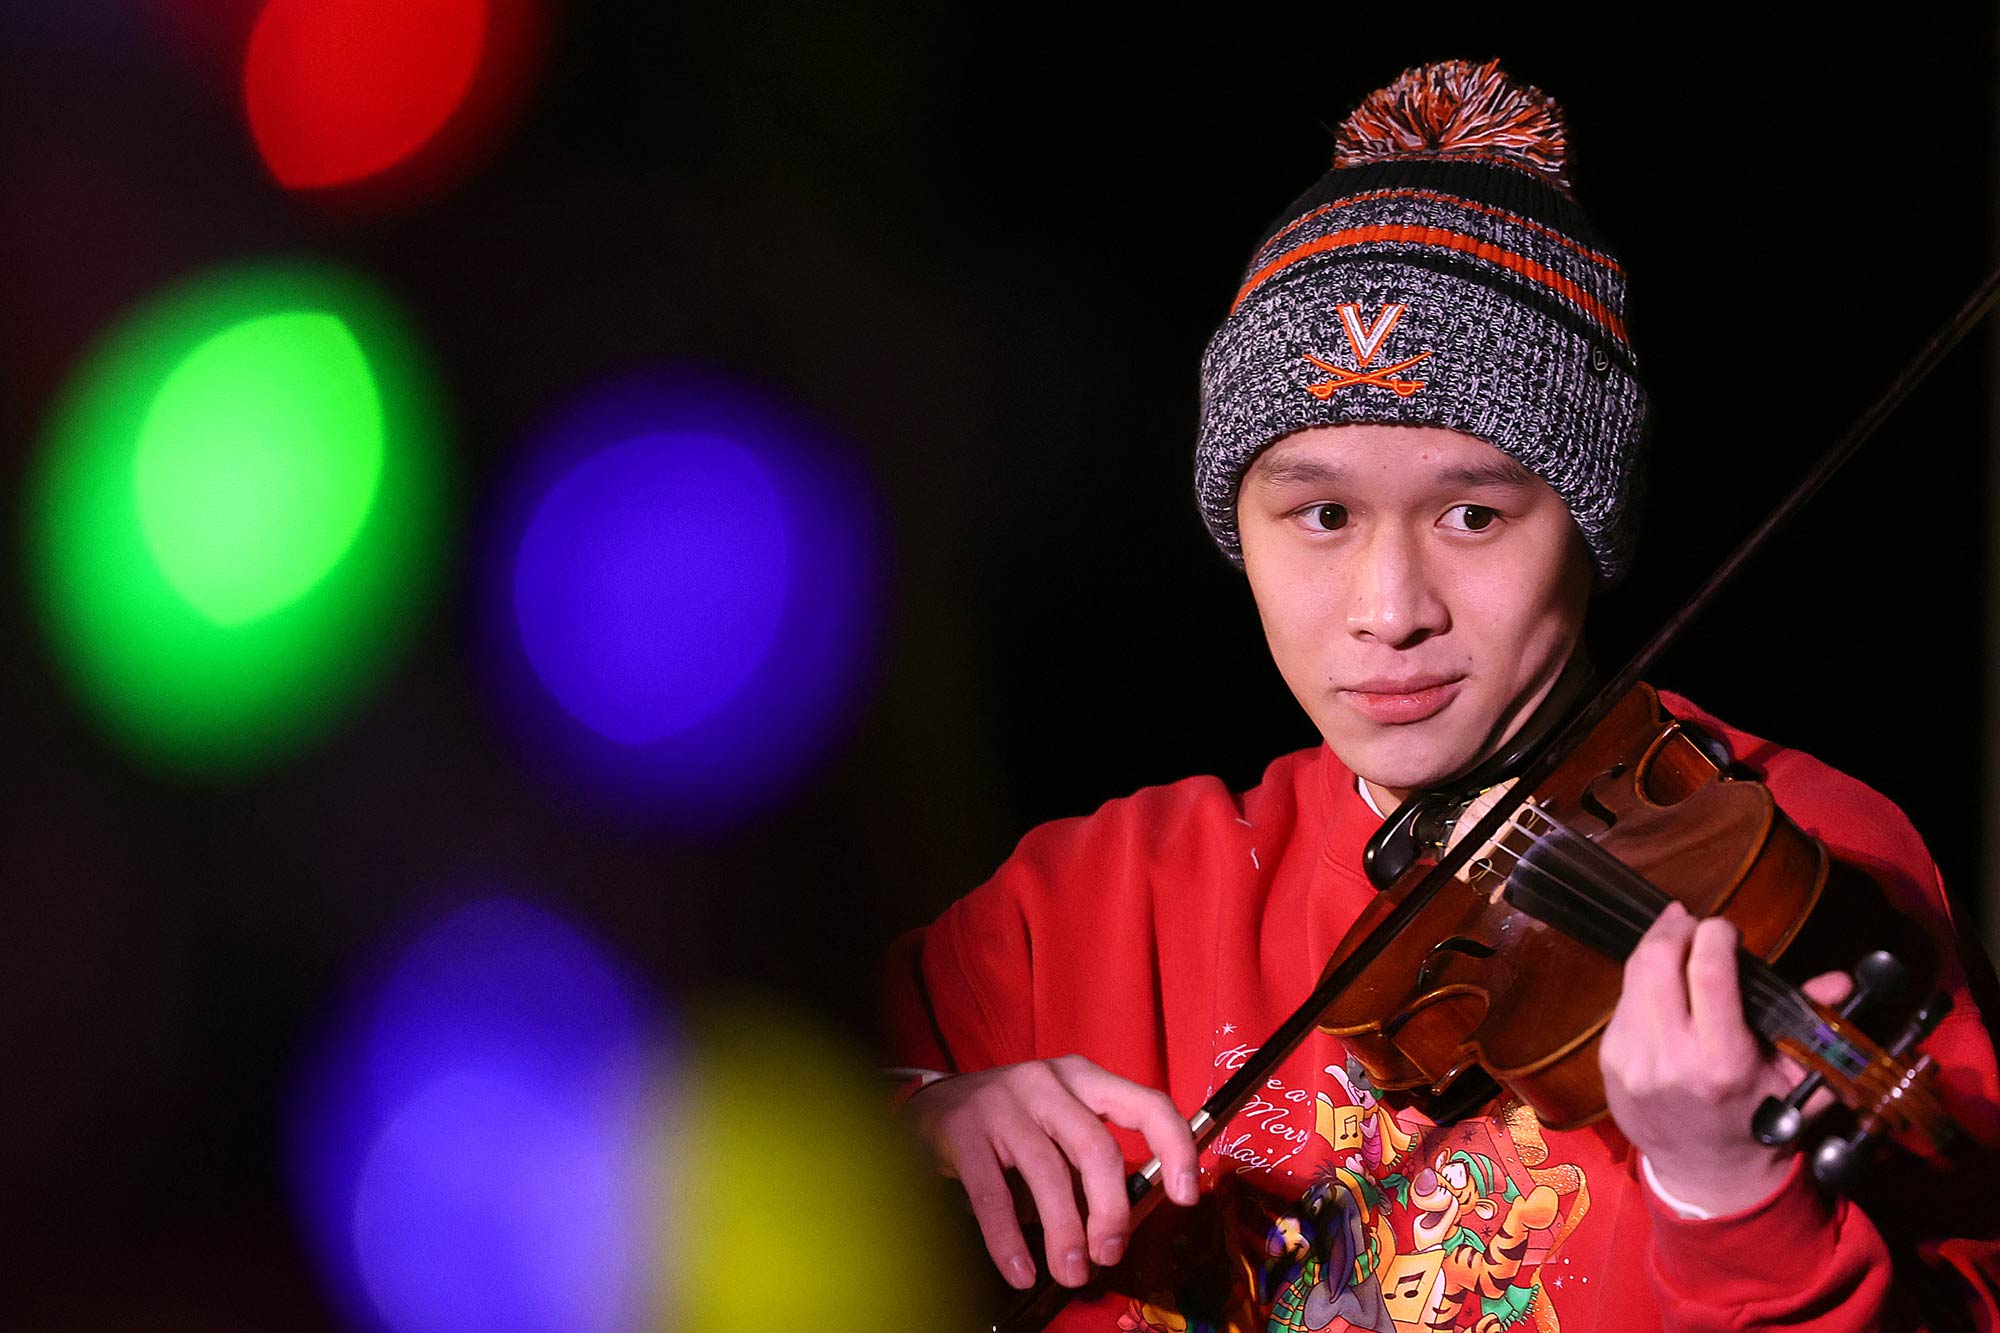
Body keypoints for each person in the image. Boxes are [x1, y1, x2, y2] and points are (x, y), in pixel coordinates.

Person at [880, 59, 2000, 1331]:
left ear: (1587, 527)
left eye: (1473, 514)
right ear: (1231, 528)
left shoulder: (1814, 862)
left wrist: (1729, 1196)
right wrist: (917, 1117)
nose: (1387, 606)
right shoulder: (1091, 901)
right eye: (1317, 515)